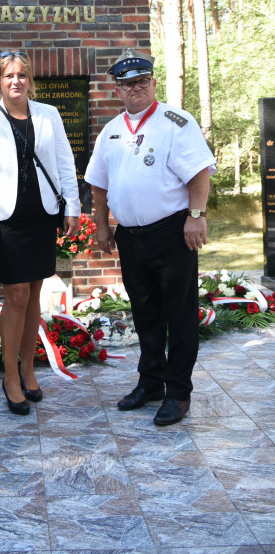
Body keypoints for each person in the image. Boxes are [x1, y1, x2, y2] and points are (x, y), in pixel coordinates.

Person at [85, 48, 216, 426]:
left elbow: (199, 173)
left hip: (172, 233)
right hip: (131, 236)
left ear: (153, 82)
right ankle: (151, 382)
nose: (136, 88)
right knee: (145, 313)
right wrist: (103, 225)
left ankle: (178, 393)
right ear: (118, 89)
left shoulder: (176, 121)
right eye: (128, 83)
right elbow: (98, 186)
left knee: (179, 313)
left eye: (143, 80)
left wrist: (196, 216)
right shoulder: (111, 130)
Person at [0, 51, 80, 415]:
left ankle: (29, 370)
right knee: (15, 294)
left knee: (33, 294)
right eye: (8, 75)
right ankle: (10, 376)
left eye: (22, 75)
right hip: (5, 219)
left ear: (31, 80)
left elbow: (65, 161)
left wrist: (72, 207)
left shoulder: (49, 114)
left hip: (42, 215)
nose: (16, 81)